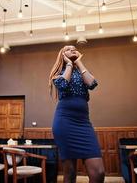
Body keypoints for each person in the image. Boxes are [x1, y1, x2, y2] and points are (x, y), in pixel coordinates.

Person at [49, 45, 105, 183]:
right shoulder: (58, 73)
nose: (72, 50)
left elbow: (92, 83)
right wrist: (68, 64)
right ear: (62, 55)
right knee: (70, 172)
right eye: (68, 49)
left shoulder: (81, 72)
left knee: (99, 172)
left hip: (84, 123)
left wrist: (79, 62)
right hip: (64, 123)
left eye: (74, 48)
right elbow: (62, 85)